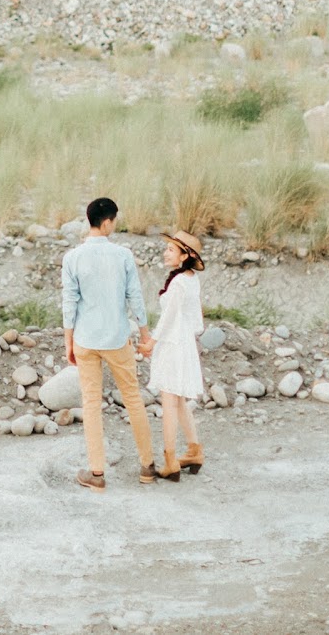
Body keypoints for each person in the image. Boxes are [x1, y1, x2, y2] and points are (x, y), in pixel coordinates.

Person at [60, 196, 157, 489]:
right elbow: (135, 297)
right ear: (106, 223)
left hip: (85, 340)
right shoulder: (123, 255)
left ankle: (97, 473)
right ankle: (148, 467)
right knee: (133, 398)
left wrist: (68, 341)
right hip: (116, 338)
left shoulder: (72, 257)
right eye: (114, 221)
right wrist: (144, 335)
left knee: (91, 404)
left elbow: (69, 302)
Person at [146, 230, 206, 479]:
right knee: (178, 400)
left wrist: (151, 341)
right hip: (183, 342)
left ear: (185, 256)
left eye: (171, 249)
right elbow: (196, 320)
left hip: (174, 343)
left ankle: (170, 459)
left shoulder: (180, 282)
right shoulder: (190, 279)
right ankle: (194, 451)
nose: (166, 252)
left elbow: (169, 317)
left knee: (170, 401)